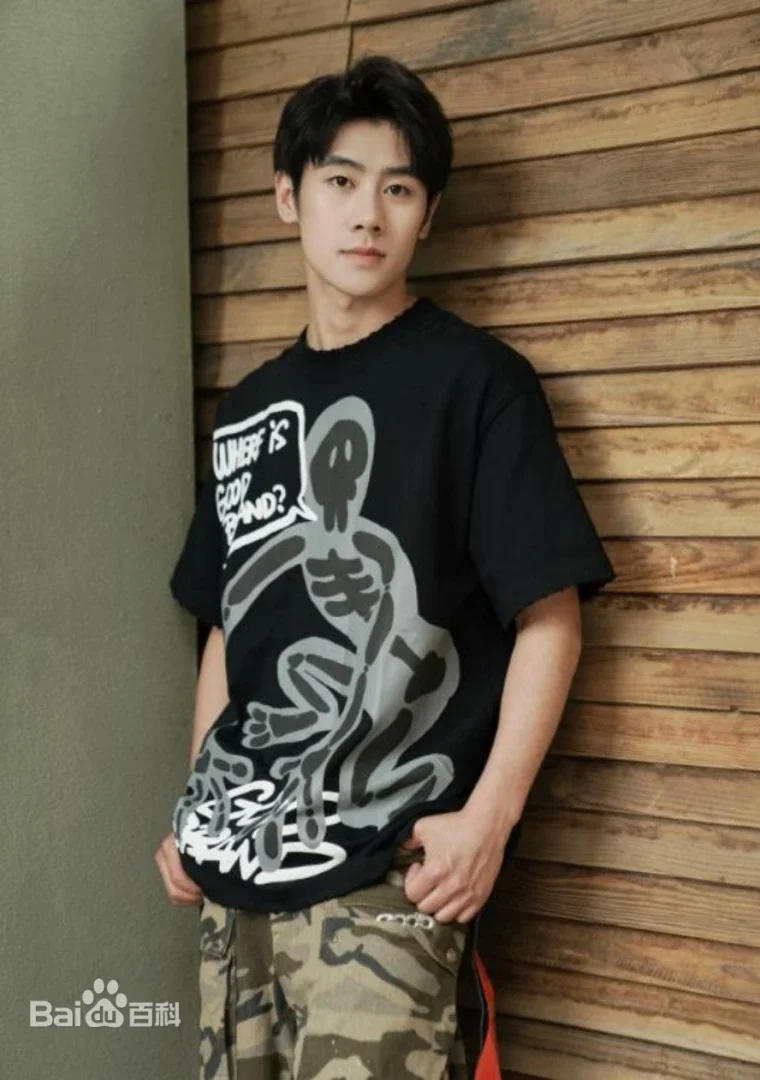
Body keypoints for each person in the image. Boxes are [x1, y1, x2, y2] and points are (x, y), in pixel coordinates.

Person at [154, 53, 616, 1080]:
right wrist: (199, 807)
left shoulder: (477, 384)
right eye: (340, 180)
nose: (368, 214)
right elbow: (229, 624)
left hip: (383, 879)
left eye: (399, 189)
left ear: (428, 215)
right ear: (289, 196)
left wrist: (488, 821)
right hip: (238, 876)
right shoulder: (250, 410)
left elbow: (550, 616)